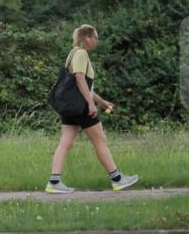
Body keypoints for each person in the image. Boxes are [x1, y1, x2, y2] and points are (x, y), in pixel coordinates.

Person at [46, 25, 139, 193]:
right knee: (100, 140)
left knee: (65, 143)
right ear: (87, 38)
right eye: (96, 37)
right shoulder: (82, 53)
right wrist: (90, 104)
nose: (97, 41)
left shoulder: (73, 53)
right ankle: (117, 179)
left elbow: (80, 85)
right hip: (81, 107)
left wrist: (101, 101)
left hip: (69, 106)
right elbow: (80, 79)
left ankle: (54, 182)